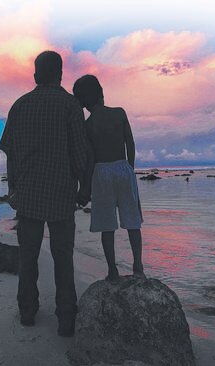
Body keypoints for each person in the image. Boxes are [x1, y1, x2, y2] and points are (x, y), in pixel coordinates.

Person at [0, 51, 91, 337]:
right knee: (63, 259)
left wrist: (12, 188)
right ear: (61, 74)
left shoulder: (20, 105)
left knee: (28, 258)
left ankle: (27, 310)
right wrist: (84, 187)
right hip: (61, 195)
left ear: (36, 75)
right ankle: (65, 318)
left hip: (27, 196)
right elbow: (80, 153)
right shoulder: (70, 105)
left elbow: (10, 155)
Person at [72, 74, 144, 280]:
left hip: (101, 171)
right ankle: (138, 266)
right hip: (122, 167)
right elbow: (129, 143)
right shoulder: (119, 113)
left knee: (107, 225)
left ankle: (112, 270)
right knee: (132, 222)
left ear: (84, 104)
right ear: (102, 92)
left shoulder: (88, 124)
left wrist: (85, 185)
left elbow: (91, 156)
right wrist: (129, 168)